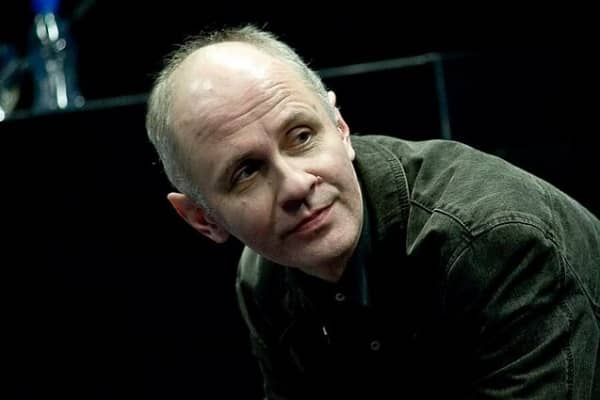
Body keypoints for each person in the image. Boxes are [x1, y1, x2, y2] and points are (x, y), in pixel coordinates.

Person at [145, 25, 600, 399]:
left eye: (302, 136)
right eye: (246, 171)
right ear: (202, 219)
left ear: (341, 127)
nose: (297, 185)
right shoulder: (264, 278)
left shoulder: (493, 238)